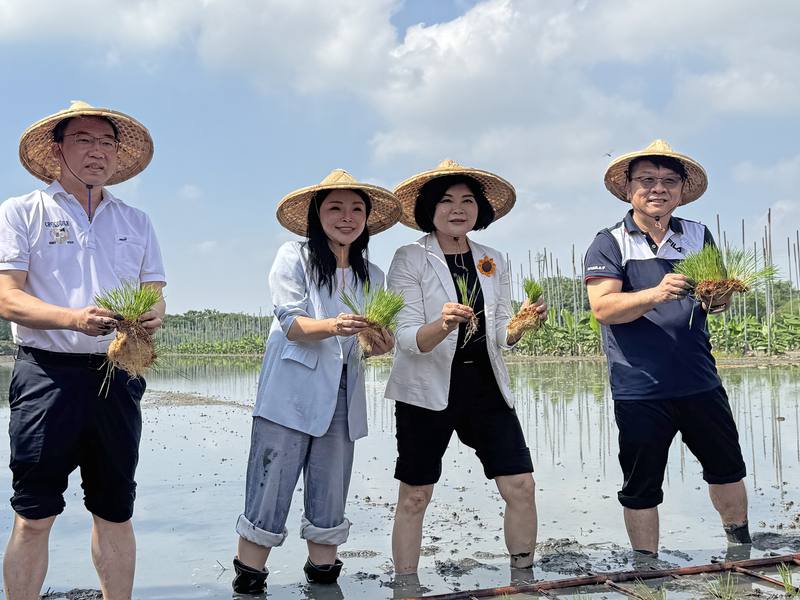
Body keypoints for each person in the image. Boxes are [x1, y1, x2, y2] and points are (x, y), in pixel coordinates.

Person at [1, 101, 166, 599]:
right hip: (47, 375)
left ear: (118, 155)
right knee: (35, 513)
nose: (97, 152)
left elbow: (155, 294)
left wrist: (153, 316)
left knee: (115, 509)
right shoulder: (22, 211)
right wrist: (74, 319)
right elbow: (7, 296)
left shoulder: (136, 221)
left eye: (106, 143)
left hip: (117, 376)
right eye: (84, 140)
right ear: (58, 149)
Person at [233, 169, 401, 594]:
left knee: (329, 495)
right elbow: (292, 324)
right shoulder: (295, 257)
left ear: (367, 219)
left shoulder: (373, 276)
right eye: (335, 208)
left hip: (343, 396)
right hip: (289, 396)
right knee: (269, 492)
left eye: (356, 209)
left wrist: (381, 342)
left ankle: (324, 582)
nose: (347, 217)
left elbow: (375, 341)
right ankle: (248, 583)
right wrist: (335, 325)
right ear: (316, 215)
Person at [584, 140, 751, 557]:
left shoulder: (698, 235)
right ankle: (648, 565)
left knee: (727, 468)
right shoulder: (610, 242)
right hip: (639, 388)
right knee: (642, 485)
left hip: (699, 380)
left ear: (680, 190)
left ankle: (740, 546)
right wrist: (655, 294)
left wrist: (721, 295)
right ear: (628, 189)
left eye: (668, 182)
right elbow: (604, 308)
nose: (658, 188)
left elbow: (713, 302)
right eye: (647, 180)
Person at [384, 160, 546, 580]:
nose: (458, 209)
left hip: (485, 385)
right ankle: (406, 585)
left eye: (468, 201)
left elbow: (499, 335)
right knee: (416, 494)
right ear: (429, 210)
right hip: (425, 388)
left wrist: (522, 325)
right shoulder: (410, 258)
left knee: (521, 485)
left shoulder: (492, 259)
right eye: (447, 201)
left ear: (480, 210)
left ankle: (523, 578)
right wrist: (443, 323)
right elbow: (406, 339)